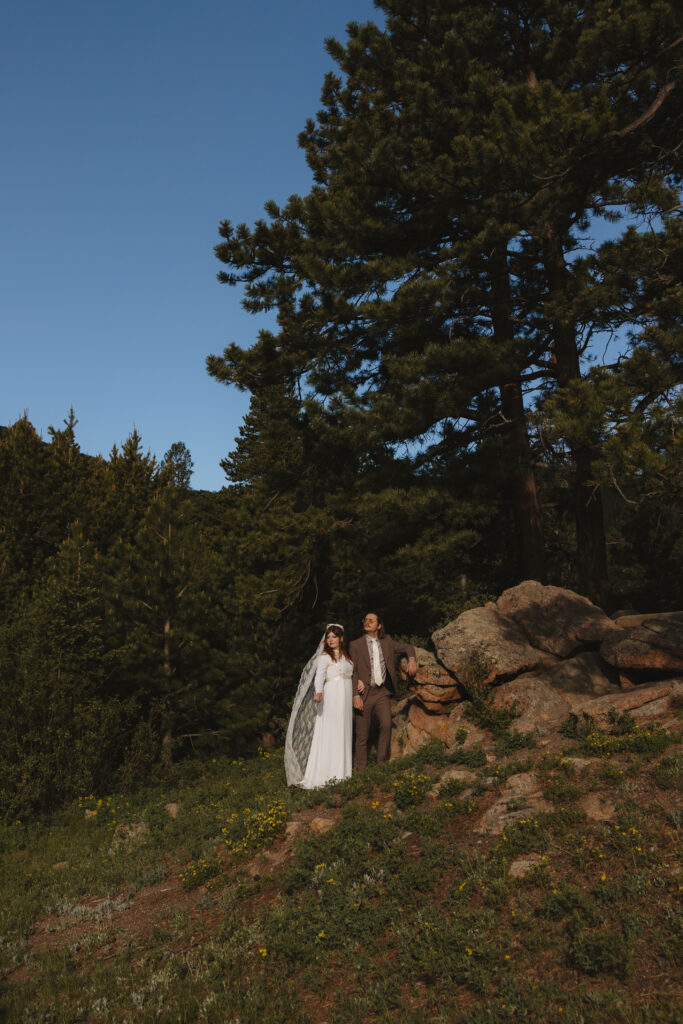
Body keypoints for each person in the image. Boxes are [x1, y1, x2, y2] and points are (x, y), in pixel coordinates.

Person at [284, 624, 353, 788]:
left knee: (344, 730)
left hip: (346, 694)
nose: (330, 640)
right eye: (328, 637)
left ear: (341, 639)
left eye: (333, 637)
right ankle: (327, 773)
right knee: (331, 731)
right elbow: (319, 676)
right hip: (332, 695)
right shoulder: (324, 657)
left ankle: (343, 772)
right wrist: (319, 691)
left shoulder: (346, 656)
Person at [349, 612, 417, 770]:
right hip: (364, 694)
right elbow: (354, 671)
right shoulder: (355, 645)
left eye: (371, 620)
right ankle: (360, 771)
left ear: (379, 625)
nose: (367, 622)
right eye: (365, 620)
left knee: (386, 725)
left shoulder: (387, 641)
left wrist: (412, 659)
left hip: (382, 693)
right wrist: (355, 695)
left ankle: (381, 765)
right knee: (362, 734)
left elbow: (407, 647)